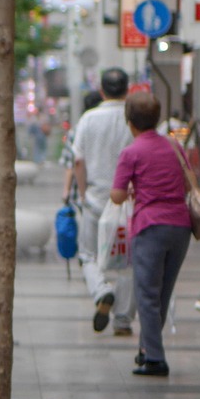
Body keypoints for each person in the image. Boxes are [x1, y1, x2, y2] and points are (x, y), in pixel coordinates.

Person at [110, 92, 192, 376]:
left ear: (129, 121)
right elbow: (186, 182)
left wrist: (133, 188)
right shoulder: (173, 146)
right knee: (163, 293)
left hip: (150, 227)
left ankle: (156, 358)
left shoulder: (131, 152)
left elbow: (118, 196)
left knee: (146, 293)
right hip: (181, 227)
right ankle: (146, 349)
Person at [72, 68, 135, 334]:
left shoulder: (88, 119)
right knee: (128, 262)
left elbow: (78, 160)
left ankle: (101, 291)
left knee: (87, 255)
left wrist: (83, 192)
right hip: (127, 203)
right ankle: (122, 320)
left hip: (96, 200)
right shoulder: (134, 119)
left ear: (101, 91)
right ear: (128, 90)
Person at [60, 91, 103, 206]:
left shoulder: (76, 131)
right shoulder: (107, 128)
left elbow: (72, 164)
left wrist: (66, 191)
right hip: (106, 189)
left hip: (81, 190)